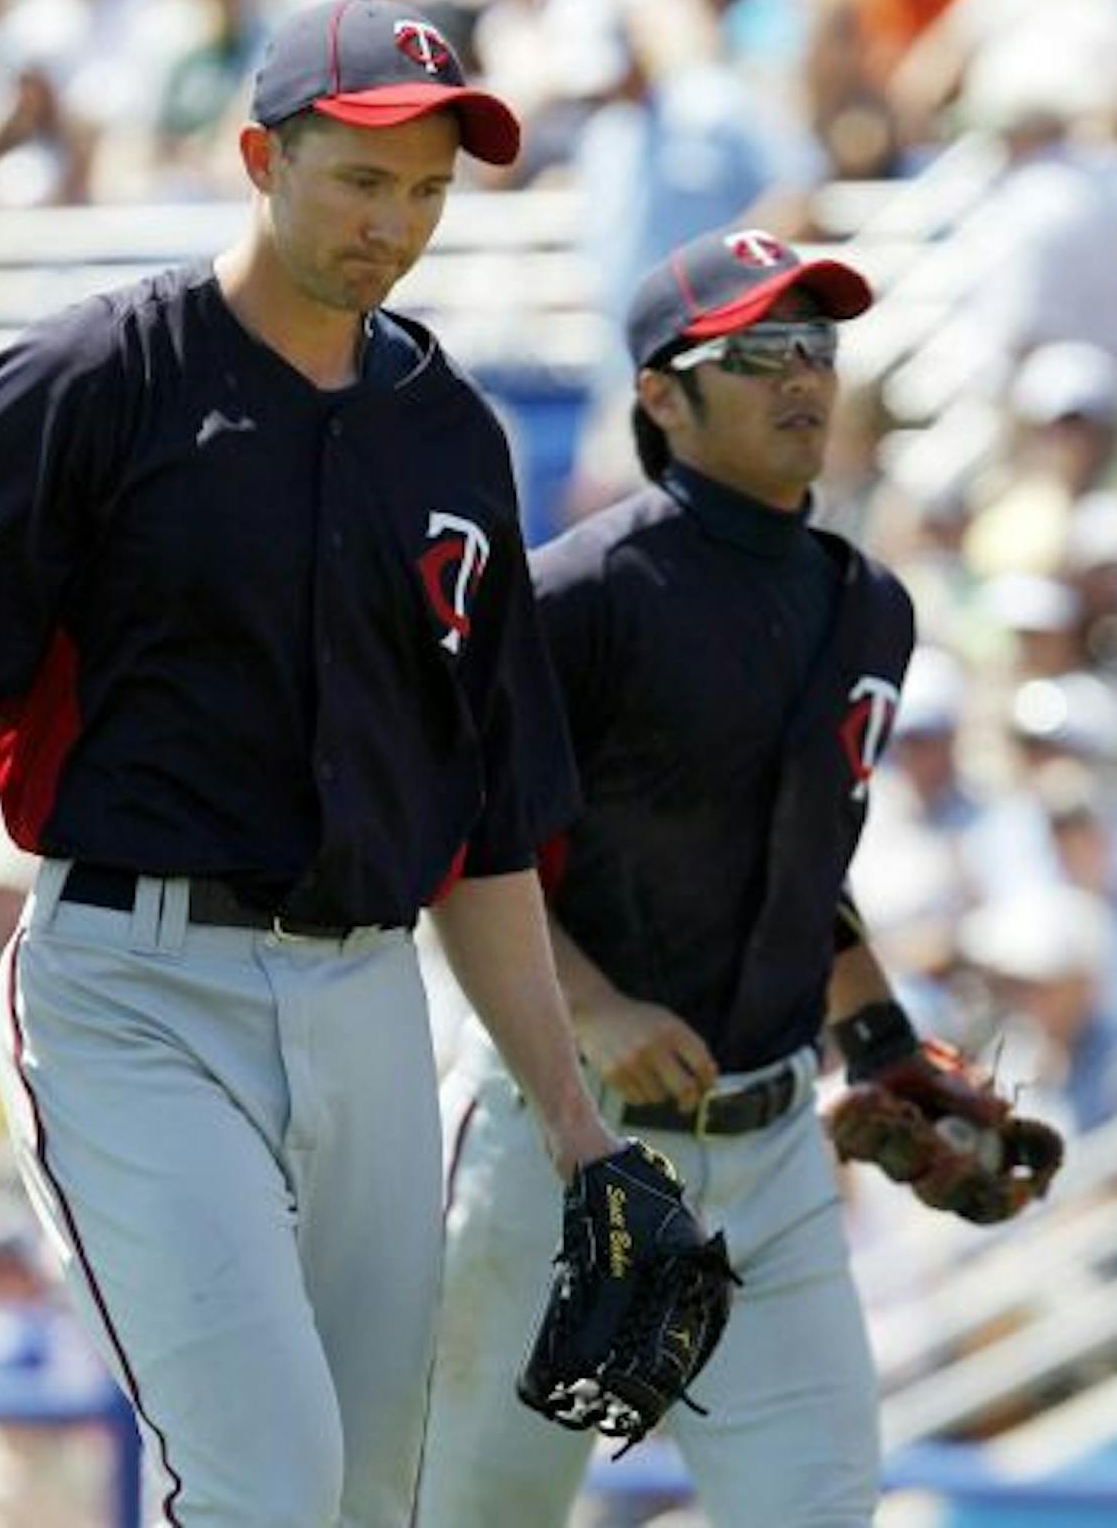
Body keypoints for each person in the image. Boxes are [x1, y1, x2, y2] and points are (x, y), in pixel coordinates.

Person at [0, 0, 623, 1527]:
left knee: (374, 1502)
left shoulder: (452, 436)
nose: (396, 224)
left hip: (371, 999)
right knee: (265, 1486)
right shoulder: (88, 382)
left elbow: (485, 828)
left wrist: (574, 1123)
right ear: (259, 155)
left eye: (429, 189)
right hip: (134, 988)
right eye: (362, 178)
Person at [417, 227, 917, 1528]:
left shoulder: (872, 607)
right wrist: (595, 1012)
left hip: (772, 1166)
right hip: (569, 1150)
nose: (802, 377)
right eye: (756, 353)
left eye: (816, 346)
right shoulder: (580, 597)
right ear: (660, 393)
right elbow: (463, 851)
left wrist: (884, 1039)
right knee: (473, 1520)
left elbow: (809, 864)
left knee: (816, 1512)